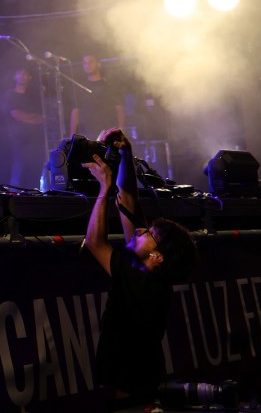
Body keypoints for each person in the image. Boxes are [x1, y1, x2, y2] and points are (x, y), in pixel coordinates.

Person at [82, 128, 197, 407]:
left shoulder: (139, 283)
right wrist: (126, 154)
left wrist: (104, 189)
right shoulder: (150, 276)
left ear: (157, 257)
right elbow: (129, 203)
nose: (140, 231)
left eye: (150, 234)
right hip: (145, 388)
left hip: (131, 399)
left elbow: (95, 242)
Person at [3, 67, 45, 188]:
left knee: (35, 168)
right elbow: (16, 114)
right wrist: (30, 117)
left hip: (35, 138)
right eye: (19, 73)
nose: (22, 76)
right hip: (17, 138)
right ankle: (15, 193)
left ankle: (33, 192)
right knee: (18, 168)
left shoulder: (34, 97)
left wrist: (26, 118)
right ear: (15, 76)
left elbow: (41, 118)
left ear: (30, 77)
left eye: (25, 74)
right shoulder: (9, 95)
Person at [70, 53, 125, 138]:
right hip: (87, 134)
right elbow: (75, 112)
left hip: (108, 133)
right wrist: (72, 136)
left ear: (98, 64)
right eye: (85, 63)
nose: (87, 65)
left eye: (91, 62)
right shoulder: (80, 88)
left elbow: (119, 108)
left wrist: (121, 129)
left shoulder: (109, 86)